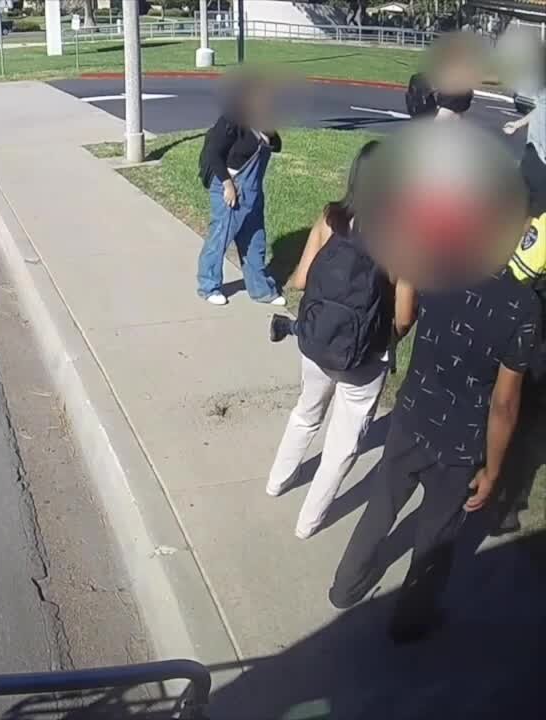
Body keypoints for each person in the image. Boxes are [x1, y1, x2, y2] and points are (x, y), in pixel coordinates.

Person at [329, 263, 540, 643]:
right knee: (435, 535)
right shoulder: (524, 307)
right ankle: (410, 621)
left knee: (381, 505)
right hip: (462, 441)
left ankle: (344, 587)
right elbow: (505, 403)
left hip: (412, 415)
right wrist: (492, 471)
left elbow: (405, 308)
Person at [266, 141, 418, 539]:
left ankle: (277, 481)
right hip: (364, 359)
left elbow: (299, 280)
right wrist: (386, 339)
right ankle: (308, 523)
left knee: (306, 412)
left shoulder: (329, 219)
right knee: (343, 444)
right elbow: (404, 316)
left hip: (316, 343)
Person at [196, 77, 286, 307]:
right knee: (221, 237)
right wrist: (227, 185)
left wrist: (270, 132)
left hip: (253, 189)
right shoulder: (231, 121)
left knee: (255, 240)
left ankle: (261, 290)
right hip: (230, 186)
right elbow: (213, 155)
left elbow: (276, 146)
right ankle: (209, 285)